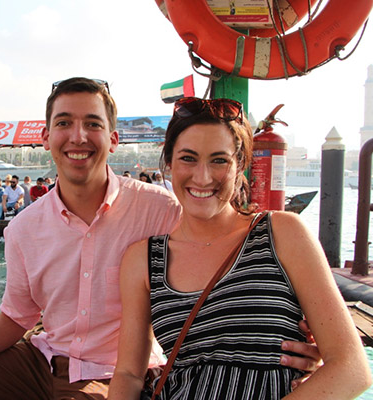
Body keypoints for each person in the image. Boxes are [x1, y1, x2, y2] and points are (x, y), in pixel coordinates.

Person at [0, 79, 321, 400]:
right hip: (42, 359)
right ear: (46, 138)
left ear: (113, 139)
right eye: (64, 123)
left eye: (93, 125)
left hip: (115, 371)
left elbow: (224, 244)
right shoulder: (23, 228)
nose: (78, 137)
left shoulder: (164, 209)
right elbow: (18, 315)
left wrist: (293, 332)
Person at [108, 97, 371, 399]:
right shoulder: (143, 259)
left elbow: (351, 368)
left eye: (219, 160)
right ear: (168, 162)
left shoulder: (282, 234)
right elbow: (128, 374)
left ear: (241, 165)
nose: (202, 177)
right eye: (188, 158)